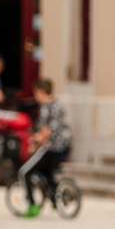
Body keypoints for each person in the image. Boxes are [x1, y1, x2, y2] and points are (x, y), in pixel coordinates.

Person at [22, 78, 73, 218]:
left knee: (25, 172)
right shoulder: (58, 104)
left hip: (52, 146)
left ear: (42, 92)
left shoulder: (45, 108)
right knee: (46, 173)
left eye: (36, 93)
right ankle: (56, 199)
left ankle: (32, 205)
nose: (35, 97)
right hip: (65, 145)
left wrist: (34, 142)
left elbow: (45, 133)